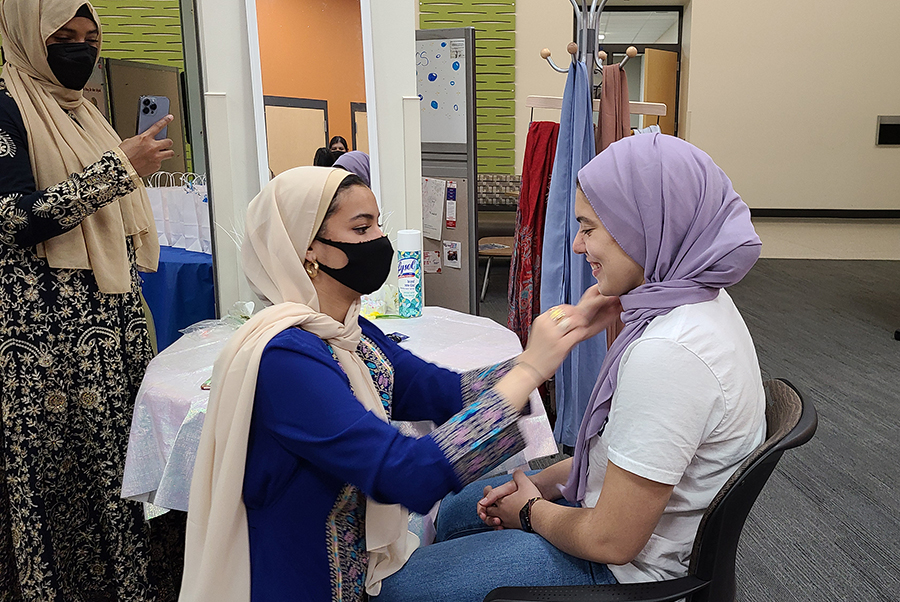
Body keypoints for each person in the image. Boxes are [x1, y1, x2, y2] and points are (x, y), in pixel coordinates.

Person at [375, 133, 767, 601]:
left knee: (397, 590)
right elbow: (619, 453)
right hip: (623, 525)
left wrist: (531, 510)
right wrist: (542, 481)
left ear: (641, 227)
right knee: (461, 508)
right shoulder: (693, 299)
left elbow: (611, 540)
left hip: (624, 574)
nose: (579, 246)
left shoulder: (670, 352)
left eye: (589, 227)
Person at [180, 167, 588, 602]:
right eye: (361, 228)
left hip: (362, 553)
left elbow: (440, 391)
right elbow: (405, 476)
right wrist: (528, 371)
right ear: (307, 251)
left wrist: (539, 358)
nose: (379, 240)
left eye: (377, 223)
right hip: (313, 578)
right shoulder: (284, 359)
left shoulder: (344, 329)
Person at [0, 1, 181, 600]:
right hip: (43, 344)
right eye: (63, 36)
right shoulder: (6, 106)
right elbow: (13, 221)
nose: (79, 48)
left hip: (108, 336)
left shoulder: (84, 115)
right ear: (27, 36)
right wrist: (115, 169)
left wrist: (117, 165)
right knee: (64, 489)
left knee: (118, 477)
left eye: (89, 37)